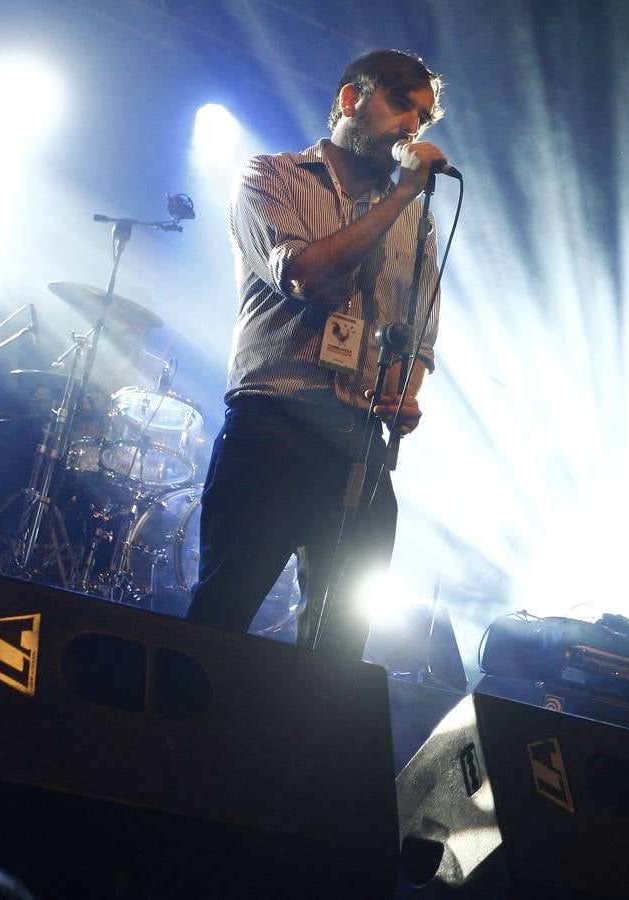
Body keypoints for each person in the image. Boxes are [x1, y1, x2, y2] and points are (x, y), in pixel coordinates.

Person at [186, 49, 447, 658]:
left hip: (359, 442)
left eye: (423, 118)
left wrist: (408, 388)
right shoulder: (269, 175)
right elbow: (304, 275)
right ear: (352, 99)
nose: (412, 126)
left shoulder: (417, 216)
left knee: (338, 649)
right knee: (220, 618)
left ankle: (299, 752)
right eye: (399, 105)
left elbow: (423, 322)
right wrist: (403, 193)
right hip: (274, 423)